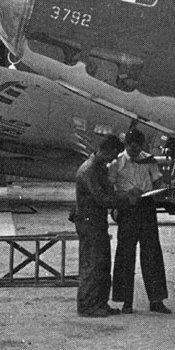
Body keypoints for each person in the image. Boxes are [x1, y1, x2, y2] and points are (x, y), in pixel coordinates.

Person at [109, 128, 171, 314]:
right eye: (131, 148)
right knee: (125, 255)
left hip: (146, 207)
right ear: (126, 145)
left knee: (152, 254)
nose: (135, 151)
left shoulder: (149, 159)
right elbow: (110, 187)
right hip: (127, 208)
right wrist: (125, 195)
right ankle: (126, 301)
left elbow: (157, 181)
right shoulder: (117, 162)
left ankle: (156, 300)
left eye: (138, 148)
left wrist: (159, 190)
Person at [72, 135, 129, 317]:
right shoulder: (89, 170)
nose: (115, 158)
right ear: (109, 150)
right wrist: (126, 200)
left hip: (95, 222)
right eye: (115, 154)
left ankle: (100, 303)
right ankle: (87, 306)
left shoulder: (98, 168)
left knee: (102, 263)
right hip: (89, 223)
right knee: (92, 263)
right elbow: (102, 199)